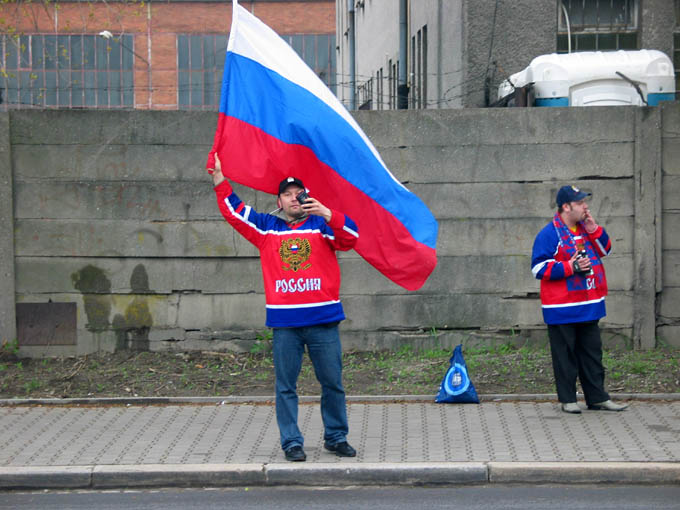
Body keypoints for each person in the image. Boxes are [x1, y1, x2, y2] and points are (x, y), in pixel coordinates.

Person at [209, 154, 359, 461]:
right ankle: (292, 441)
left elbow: (351, 238)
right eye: (288, 194)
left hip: (323, 320)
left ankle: (336, 437)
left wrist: (328, 213)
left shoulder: (321, 224)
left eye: (299, 194)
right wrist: (219, 179)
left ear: (307, 197)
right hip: (286, 325)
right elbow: (234, 211)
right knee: (286, 387)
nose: (294, 198)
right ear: (279, 200)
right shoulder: (266, 227)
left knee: (332, 383)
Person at [531, 185, 628, 414]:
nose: (586, 206)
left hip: (589, 304)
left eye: (585, 202)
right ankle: (568, 400)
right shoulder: (549, 234)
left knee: (593, 354)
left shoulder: (586, 229)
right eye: (580, 203)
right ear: (566, 207)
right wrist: (569, 267)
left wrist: (594, 229)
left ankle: (598, 398)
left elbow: (606, 251)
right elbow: (538, 268)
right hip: (561, 307)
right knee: (565, 357)